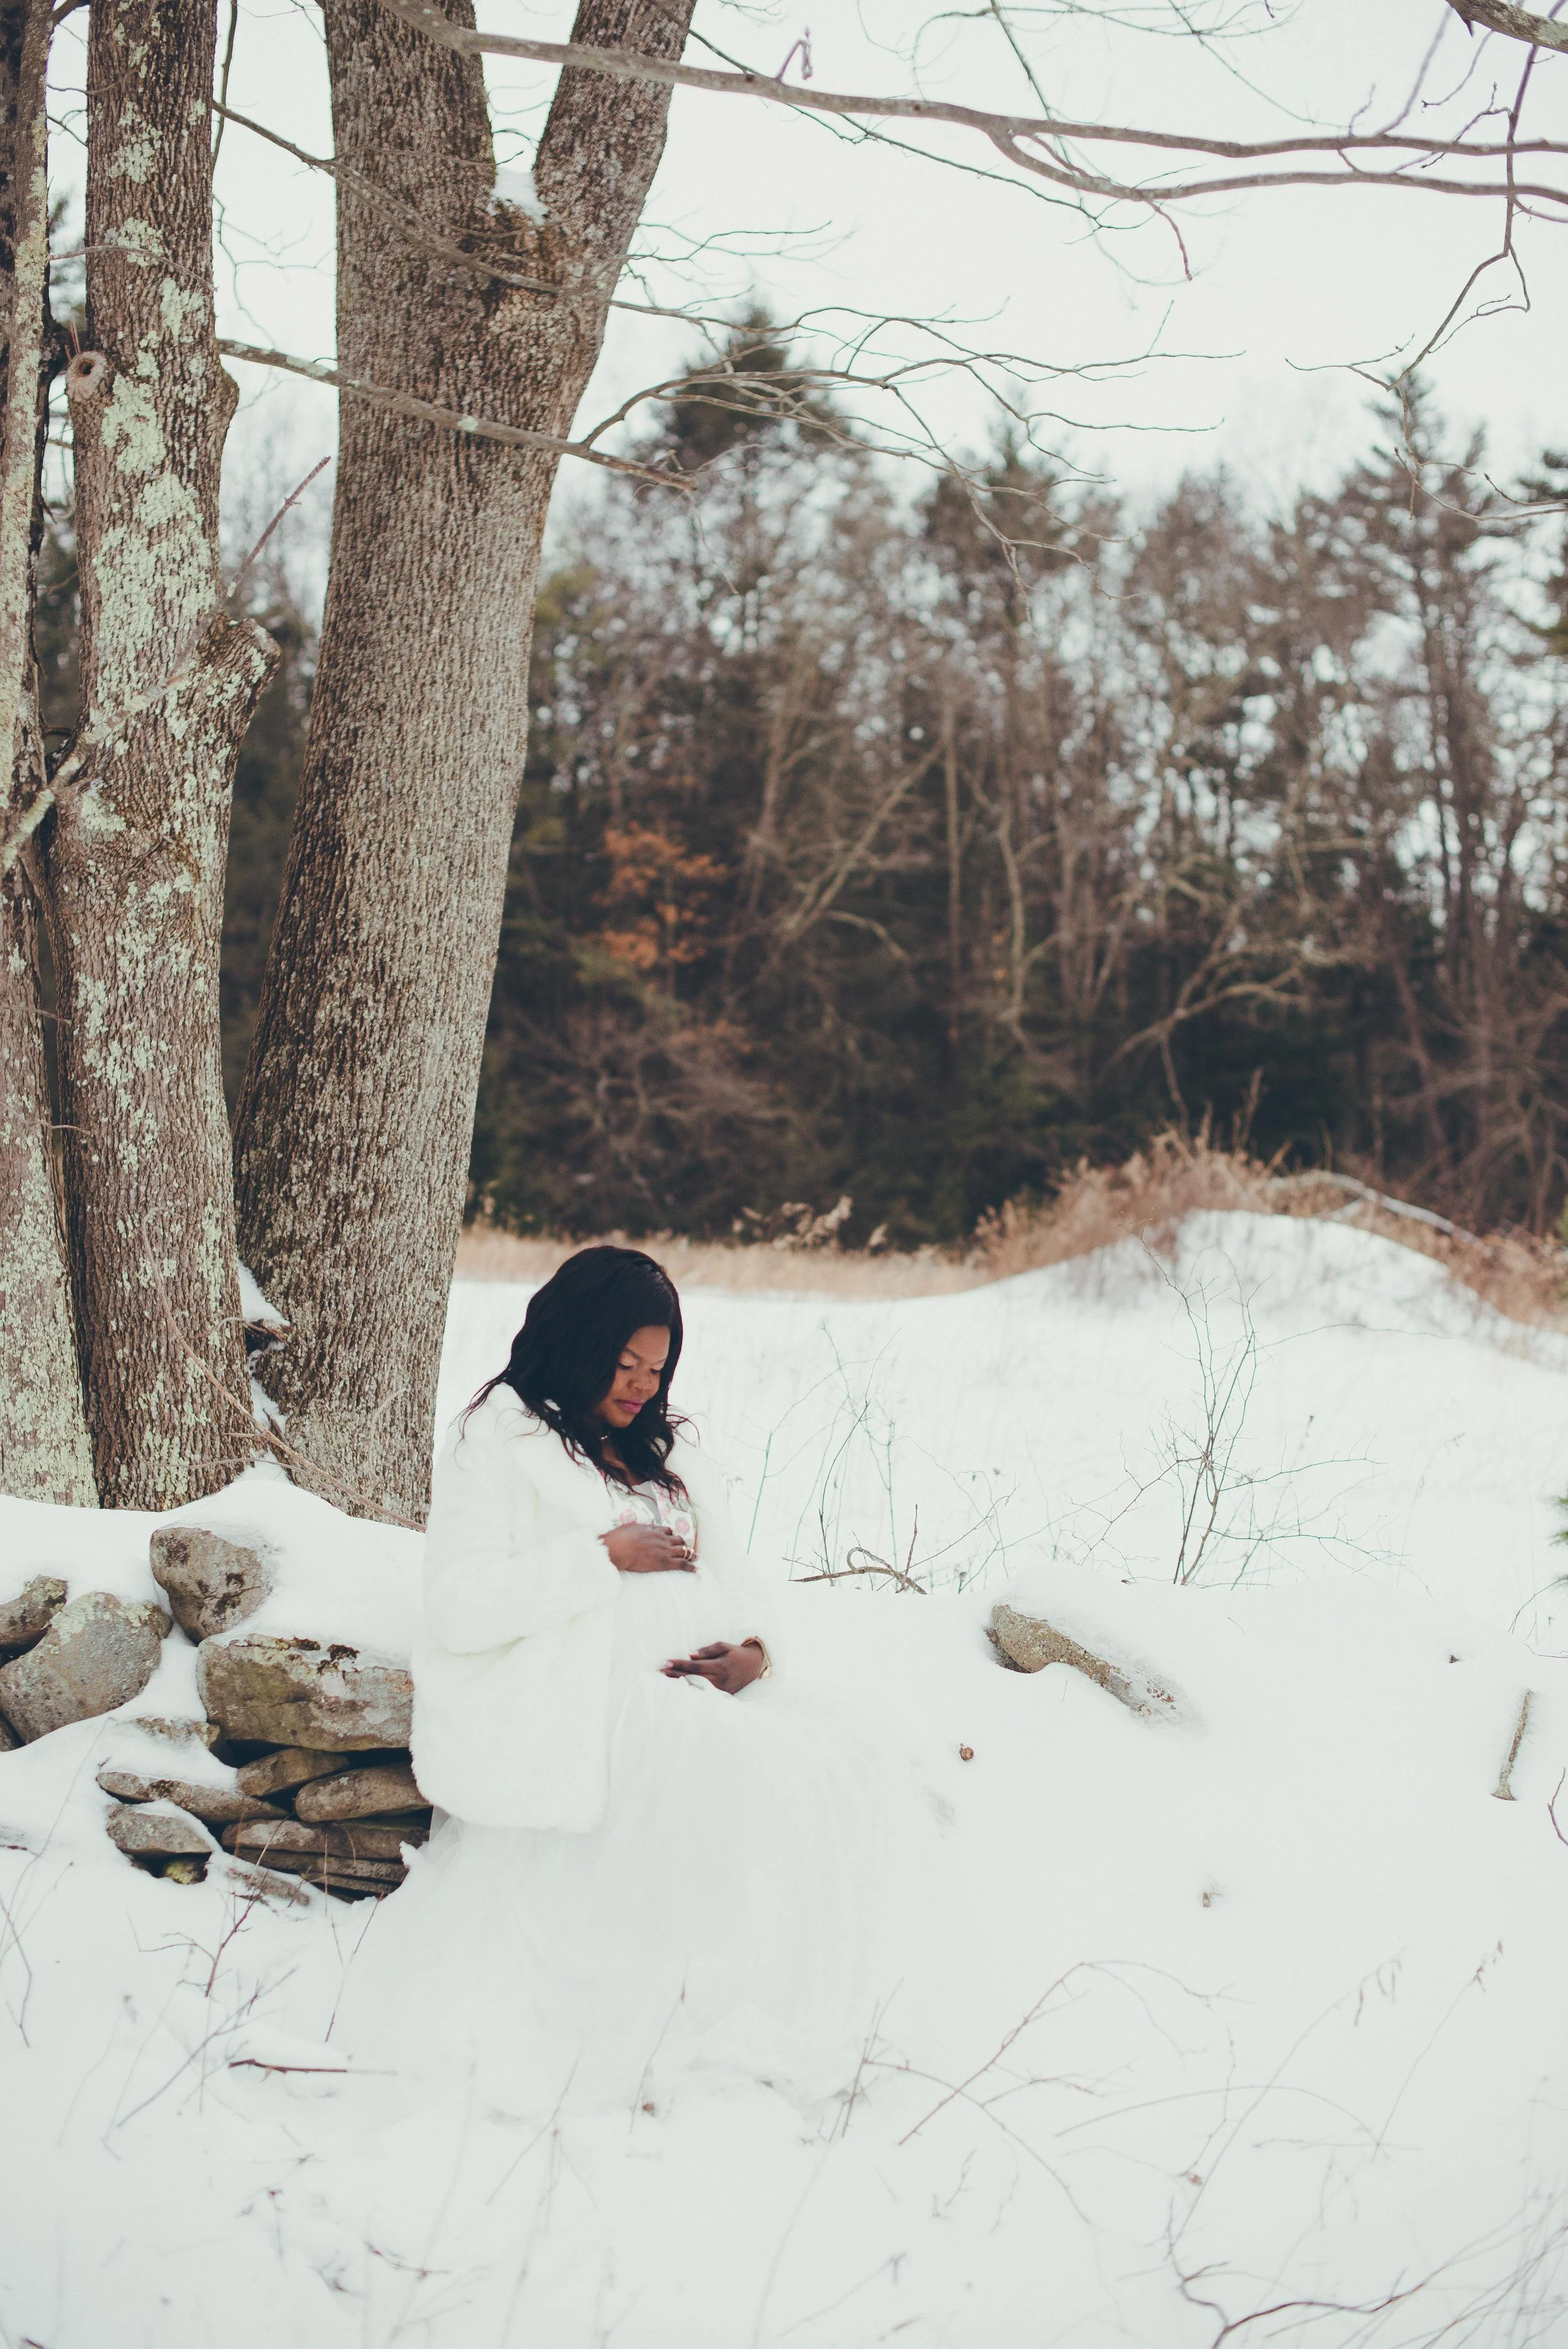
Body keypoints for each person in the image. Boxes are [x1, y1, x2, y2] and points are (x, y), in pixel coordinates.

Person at [341, 1246, 881, 2116]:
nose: (639, 1385)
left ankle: (776, 2020)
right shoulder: (502, 1441)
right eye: (623, 1364)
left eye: (656, 1369)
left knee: (843, 1763)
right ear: (576, 1343)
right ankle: (673, 2028)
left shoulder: (670, 1457)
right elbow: (460, 1608)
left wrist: (749, 1654)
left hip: (696, 1699)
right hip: (574, 1704)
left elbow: (741, 1586)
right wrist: (602, 1557)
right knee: (701, 1762)